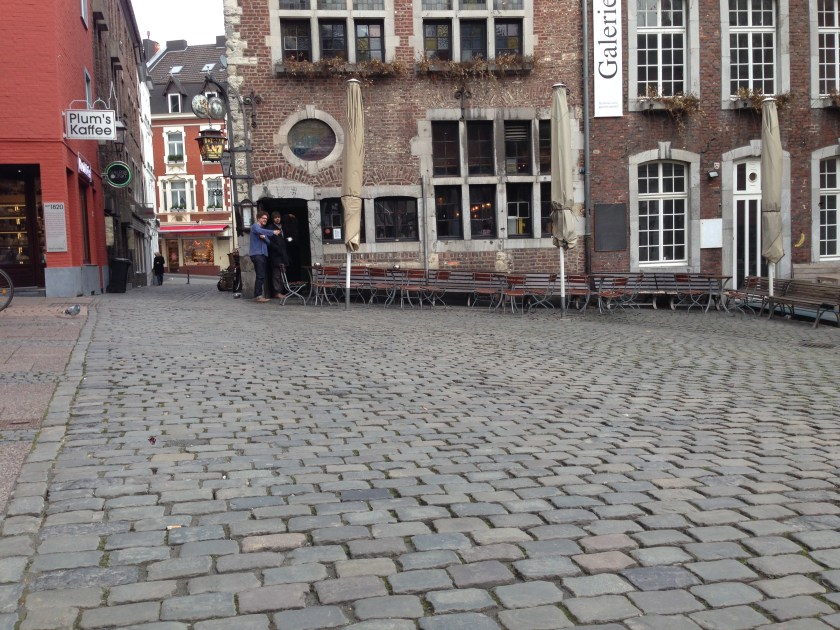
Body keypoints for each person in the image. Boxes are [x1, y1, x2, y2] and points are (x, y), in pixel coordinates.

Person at [249, 210, 281, 302]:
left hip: (263, 254)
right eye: (263, 218)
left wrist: (264, 238)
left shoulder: (263, 230)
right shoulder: (255, 227)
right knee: (260, 275)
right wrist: (273, 232)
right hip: (257, 254)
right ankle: (258, 296)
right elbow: (260, 231)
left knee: (261, 275)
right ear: (258, 218)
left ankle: (258, 295)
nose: (265, 220)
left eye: (266, 219)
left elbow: (268, 242)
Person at [267, 212, 290, 299]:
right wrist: (276, 248)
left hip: (283, 253)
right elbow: (269, 241)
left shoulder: (282, 227)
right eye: (275, 217)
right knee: (276, 274)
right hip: (275, 254)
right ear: (273, 219)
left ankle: (282, 291)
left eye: (278, 217)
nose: (277, 219)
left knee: (282, 273)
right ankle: (277, 292)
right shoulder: (270, 228)